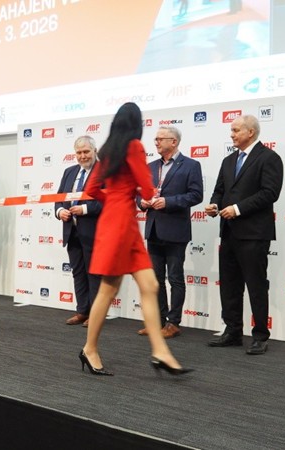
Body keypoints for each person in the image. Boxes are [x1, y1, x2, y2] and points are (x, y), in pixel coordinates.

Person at [80, 102, 191, 376]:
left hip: (116, 221)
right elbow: (148, 188)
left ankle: (160, 351)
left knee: (149, 285)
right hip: (121, 224)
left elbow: (91, 189)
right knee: (109, 289)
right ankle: (90, 349)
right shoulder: (134, 147)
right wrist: (130, 195)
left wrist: (114, 197)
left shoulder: (108, 151)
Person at [205, 114, 283, 355]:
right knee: (229, 285)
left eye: (236, 130)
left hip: (254, 234)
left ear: (251, 132)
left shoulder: (269, 157)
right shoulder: (229, 160)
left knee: (256, 286)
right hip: (229, 233)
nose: (232, 134)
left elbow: (270, 193)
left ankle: (260, 336)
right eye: (231, 130)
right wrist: (214, 205)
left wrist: (237, 209)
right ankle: (233, 332)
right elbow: (220, 190)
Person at [137, 126, 203, 339]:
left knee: (175, 278)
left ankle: (173, 323)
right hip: (154, 229)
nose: (156, 142)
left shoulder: (191, 165)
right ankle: (158, 321)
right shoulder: (150, 167)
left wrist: (169, 202)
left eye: (160, 139)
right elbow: (139, 194)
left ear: (174, 141)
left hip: (175, 230)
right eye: (155, 139)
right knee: (155, 279)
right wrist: (143, 202)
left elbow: (196, 195)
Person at [55, 136, 102, 327]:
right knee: (78, 272)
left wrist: (85, 209)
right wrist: (60, 211)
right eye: (79, 152)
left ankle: (96, 314)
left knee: (94, 274)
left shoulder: (105, 172)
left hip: (94, 232)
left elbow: (110, 201)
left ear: (95, 151)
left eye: (86, 152)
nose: (83, 156)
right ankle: (82, 311)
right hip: (71, 231)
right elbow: (58, 198)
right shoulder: (69, 172)